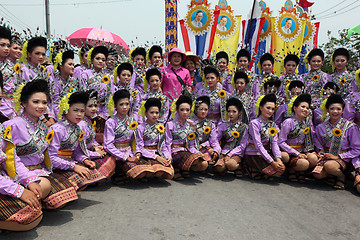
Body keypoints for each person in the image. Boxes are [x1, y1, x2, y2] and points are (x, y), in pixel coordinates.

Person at [4, 78, 78, 209]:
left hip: (39, 171)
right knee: (47, 189)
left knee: (69, 190)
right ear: (24, 103)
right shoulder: (11, 125)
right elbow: (10, 160)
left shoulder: (43, 127)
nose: (41, 106)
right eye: (36, 102)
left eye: (44, 103)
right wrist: (28, 180)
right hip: (19, 174)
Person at [49, 91, 111, 190]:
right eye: (75, 110)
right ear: (65, 110)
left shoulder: (78, 128)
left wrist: (84, 160)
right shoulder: (57, 129)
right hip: (56, 167)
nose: (79, 114)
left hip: (70, 163)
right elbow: (51, 158)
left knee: (91, 173)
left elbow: (77, 152)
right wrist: (74, 166)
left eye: (82, 111)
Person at [104, 89, 153, 184]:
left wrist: (137, 152)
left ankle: (125, 173)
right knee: (140, 173)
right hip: (117, 155)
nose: (124, 107)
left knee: (148, 172)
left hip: (130, 151)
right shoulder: (110, 122)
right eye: (121, 104)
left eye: (127, 104)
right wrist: (125, 157)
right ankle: (119, 172)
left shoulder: (132, 121)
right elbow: (108, 145)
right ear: (115, 106)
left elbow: (135, 140)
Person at [313, 94, 360, 190]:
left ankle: (341, 177)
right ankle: (333, 175)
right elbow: (318, 144)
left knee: (330, 166)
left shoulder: (350, 127)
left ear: (343, 110)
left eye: (338, 109)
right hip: (327, 157)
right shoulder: (320, 127)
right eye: (332, 108)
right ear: (327, 110)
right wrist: (321, 152)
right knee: (317, 175)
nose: (335, 111)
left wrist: (339, 156)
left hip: (345, 158)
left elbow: (357, 149)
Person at [243, 94, 286, 180]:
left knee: (280, 170)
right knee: (276, 172)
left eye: (273, 109)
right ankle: (252, 167)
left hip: (265, 153)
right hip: (254, 153)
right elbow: (258, 145)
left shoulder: (272, 124)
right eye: (268, 108)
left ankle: (259, 171)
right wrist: (272, 162)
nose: (270, 111)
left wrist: (278, 159)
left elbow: (274, 143)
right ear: (261, 108)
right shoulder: (254, 123)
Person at [279, 94, 318, 182]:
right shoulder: (288, 122)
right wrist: (296, 153)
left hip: (302, 150)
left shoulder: (308, 122)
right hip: (290, 152)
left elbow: (311, 137)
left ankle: (300, 171)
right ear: (295, 108)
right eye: (302, 107)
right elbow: (281, 142)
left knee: (314, 158)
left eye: (307, 108)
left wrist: (313, 151)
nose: (305, 110)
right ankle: (291, 170)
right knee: (304, 163)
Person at [163, 95, 204, 180]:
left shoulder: (191, 125)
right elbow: (167, 143)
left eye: (187, 110)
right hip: (174, 152)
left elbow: (191, 145)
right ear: (177, 110)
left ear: (190, 111)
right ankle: (176, 167)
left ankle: (182, 168)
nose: (185, 112)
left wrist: (196, 152)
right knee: (193, 159)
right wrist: (168, 157)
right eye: (182, 110)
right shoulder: (170, 124)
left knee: (203, 164)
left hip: (185, 150)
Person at [135, 98, 174, 180]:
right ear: (146, 113)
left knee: (170, 174)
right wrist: (156, 157)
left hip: (158, 153)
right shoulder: (140, 127)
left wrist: (168, 157)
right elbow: (140, 147)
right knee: (152, 172)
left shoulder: (160, 127)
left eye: (157, 112)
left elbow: (163, 146)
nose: (155, 115)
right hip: (145, 155)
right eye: (152, 112)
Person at [215, 98, 248, 177]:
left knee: (231, 165)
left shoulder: (244, 127)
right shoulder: (223, 125)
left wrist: (230, 154)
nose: (231, 114)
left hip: (237, 151)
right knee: (219, 168)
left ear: (239, 113)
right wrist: (218, 150)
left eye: (234, 112)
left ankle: (238, 166)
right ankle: (225, 166)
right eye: (229, 111)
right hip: (225, 150)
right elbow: (216, 139)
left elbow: (243, 145)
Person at [81, 46, 115, 121]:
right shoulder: (85, 74)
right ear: (92, 60)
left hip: (104, 114)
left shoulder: (109, 77)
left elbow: (110, 96)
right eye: (98, 59)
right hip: (87, 112)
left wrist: (104, 115)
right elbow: (82, 92)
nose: (100, 61)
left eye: (103, 60)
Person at [190, 96, 221, 166]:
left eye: (206, 109)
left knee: (212, 151)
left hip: (202, 148)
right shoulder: (189, 122)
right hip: (191, 148)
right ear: (195, 110)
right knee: (204, 164)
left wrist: (217, 150)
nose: (203, 111)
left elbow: (214, 141)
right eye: (201, 109)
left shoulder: (210, 125)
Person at [49, 50, 79, 120]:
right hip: (60, 117)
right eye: (70, 64)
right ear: (61, 65)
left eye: (73, 65)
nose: (73, 67)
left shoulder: (73, 81)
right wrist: (61, 119)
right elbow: (55, 104)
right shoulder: (54, 83)